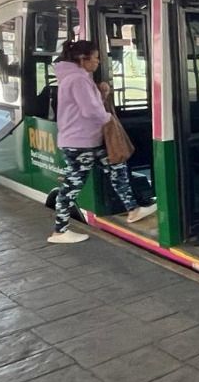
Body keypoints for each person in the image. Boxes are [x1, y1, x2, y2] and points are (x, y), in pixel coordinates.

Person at [47, 40, 156, 243]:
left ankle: (133, 209)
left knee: (117, 167)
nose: (98, 62)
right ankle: (60, 232)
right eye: (96, 58)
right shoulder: (78, 79)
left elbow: (88, 104)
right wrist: (108, 119)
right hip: (81, 142)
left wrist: (101, 93)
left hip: (86, 140)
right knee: (72, 185)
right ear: (83, 59)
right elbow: (90, 110)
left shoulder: (75, 77)